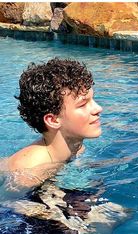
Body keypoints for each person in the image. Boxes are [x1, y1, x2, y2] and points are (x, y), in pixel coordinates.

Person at [5, 57, 103, 189]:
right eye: (83, 104)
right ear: (53, 120)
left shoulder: (77, 149)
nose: (98, 108)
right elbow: (9, 205)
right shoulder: (29, 171)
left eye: (92, 100)